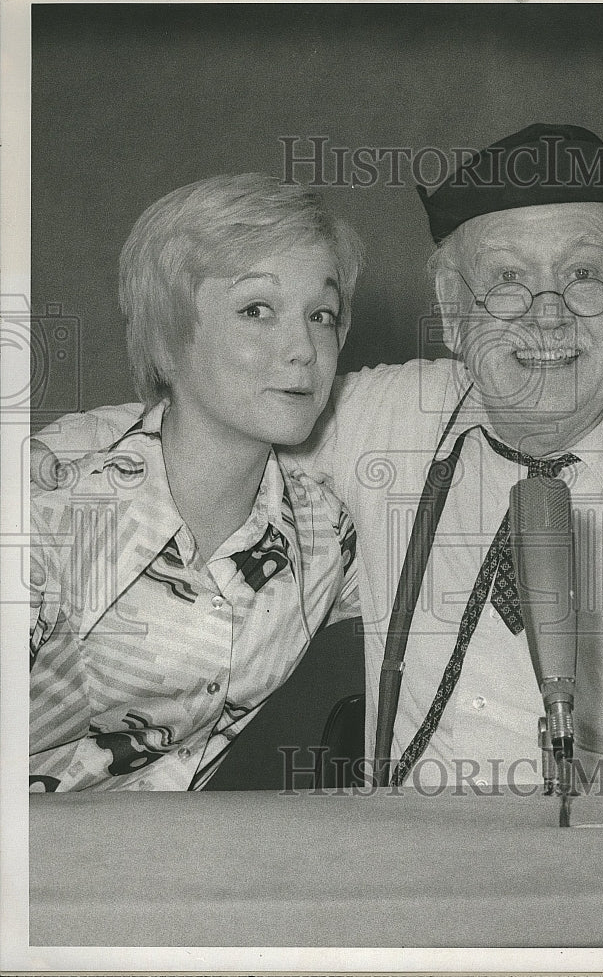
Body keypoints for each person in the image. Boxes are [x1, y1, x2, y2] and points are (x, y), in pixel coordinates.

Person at [32, 125, 603, 792]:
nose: (547, 316)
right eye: (507, 278)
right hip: (396, 894)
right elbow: (206, 418)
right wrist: (41, 460)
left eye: (583, 275)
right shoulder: (391, 422)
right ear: (454, 313)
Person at [29, 173, 362, 792]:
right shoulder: (50, 515)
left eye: (322, 315)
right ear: (168, 338)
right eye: (256, 310)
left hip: (170, 872)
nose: (303, 349)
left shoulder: (324, 537)